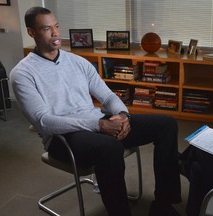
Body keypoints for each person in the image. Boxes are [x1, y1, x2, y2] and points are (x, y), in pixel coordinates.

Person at [10, 6, 181, 216]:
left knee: (166, 125)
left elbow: (107, 97)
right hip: (63, 137)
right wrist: (99, 124)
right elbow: (44, 122)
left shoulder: (77, 62)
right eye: (47, 29)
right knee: (110, 148)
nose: (55, 33)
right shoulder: (23, 73)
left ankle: (163, 204)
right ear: (32, 32)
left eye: (56, 26)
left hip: (98, 122)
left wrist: (124, 116)